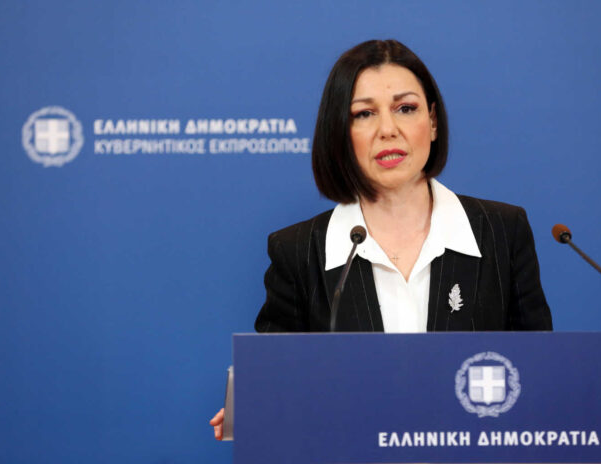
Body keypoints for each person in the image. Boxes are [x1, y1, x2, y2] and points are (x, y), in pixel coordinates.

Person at [210, 39, 552, 438]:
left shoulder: (501, 232)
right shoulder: (299, 252)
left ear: (433, 122)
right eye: (364, 114)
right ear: (340, 133)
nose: (388, 130)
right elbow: (279, 382)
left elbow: (539, 375)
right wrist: (259, 410)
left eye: (406, 108)